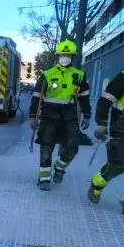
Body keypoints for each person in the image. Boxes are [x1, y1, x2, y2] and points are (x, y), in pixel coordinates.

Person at [29, 39, 91, 191]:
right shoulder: (47, 75)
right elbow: (37, 96)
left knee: (72, 147)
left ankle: (59, 167)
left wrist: (87, 115)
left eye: (68, 54)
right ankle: (44, 179)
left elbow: (84, 97)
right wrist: (32, 115)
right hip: (49, 115)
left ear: (72, 56)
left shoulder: (79, 76)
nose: (65, 57)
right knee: (46, 147)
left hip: (69, 115)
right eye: (62, 54)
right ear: (58, 56)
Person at [87, 68, 124, 215]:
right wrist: (101, 123)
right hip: (121, 129)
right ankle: (96, 185)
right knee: (118, 165)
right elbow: (105, 101)